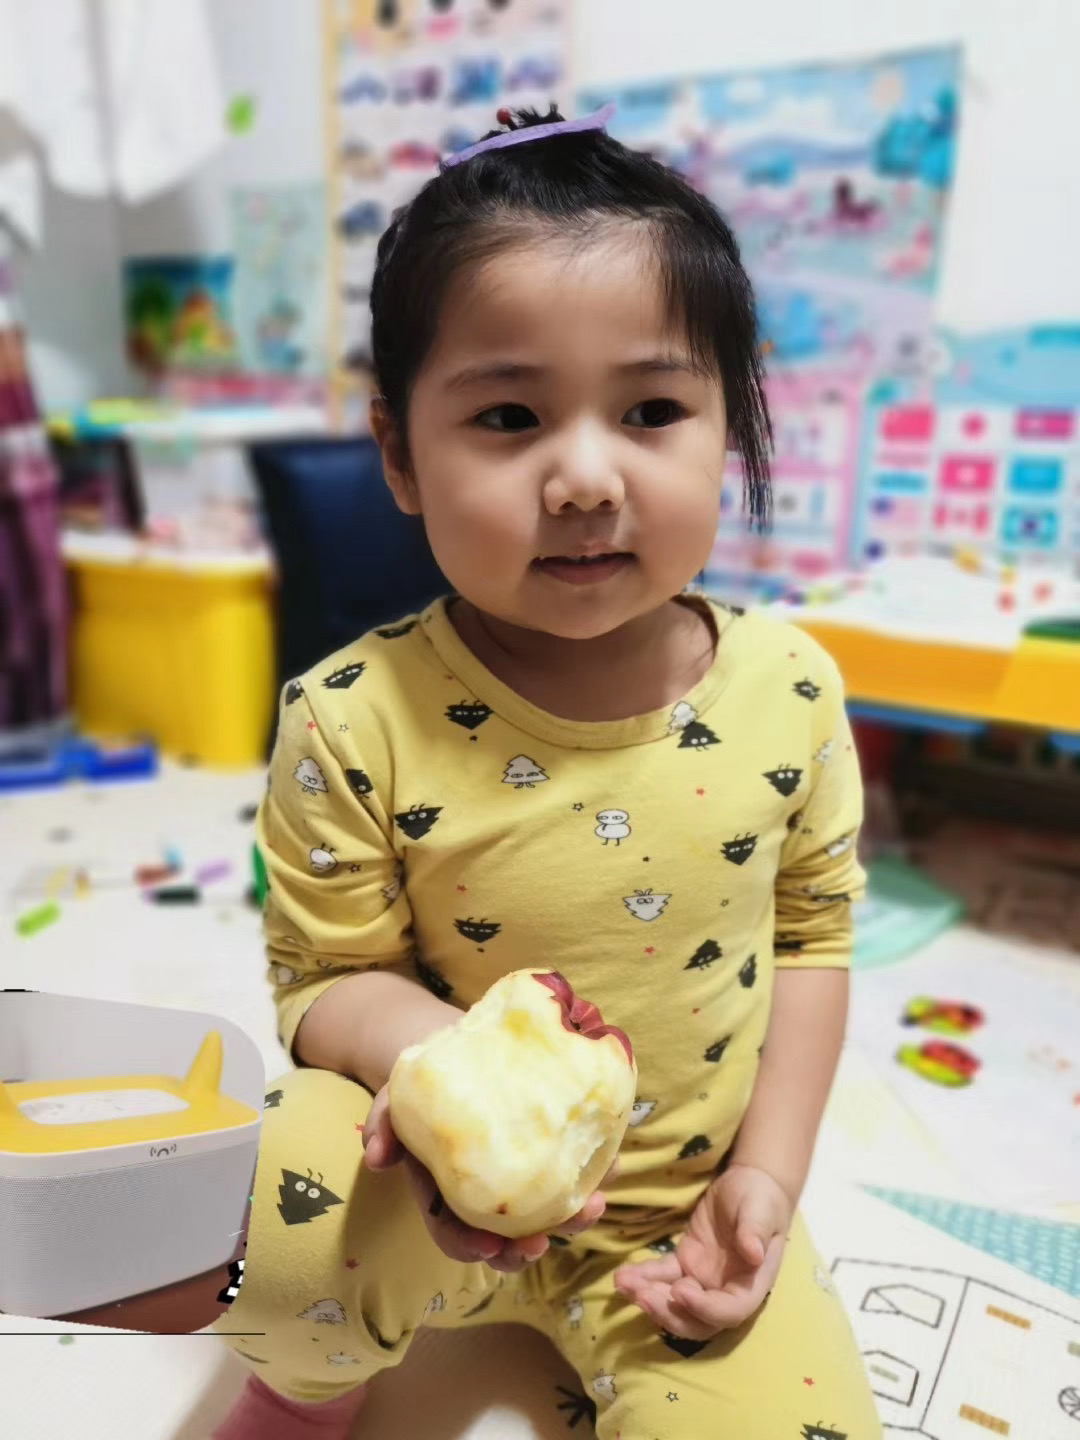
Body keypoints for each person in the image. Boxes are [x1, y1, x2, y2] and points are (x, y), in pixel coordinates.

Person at [212, 104, 881, 1440]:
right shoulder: (350, 718)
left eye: (652, 410)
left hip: (674, 1214)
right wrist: (440, 1071)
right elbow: (326, 981)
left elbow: (814, 937)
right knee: (261, 1212)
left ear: (730, 427)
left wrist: (766, 1179)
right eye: (510, 415)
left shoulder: (792, 691)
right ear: (399, 453)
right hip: (423, 1180)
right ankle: (308, 1392)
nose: (583, 477)